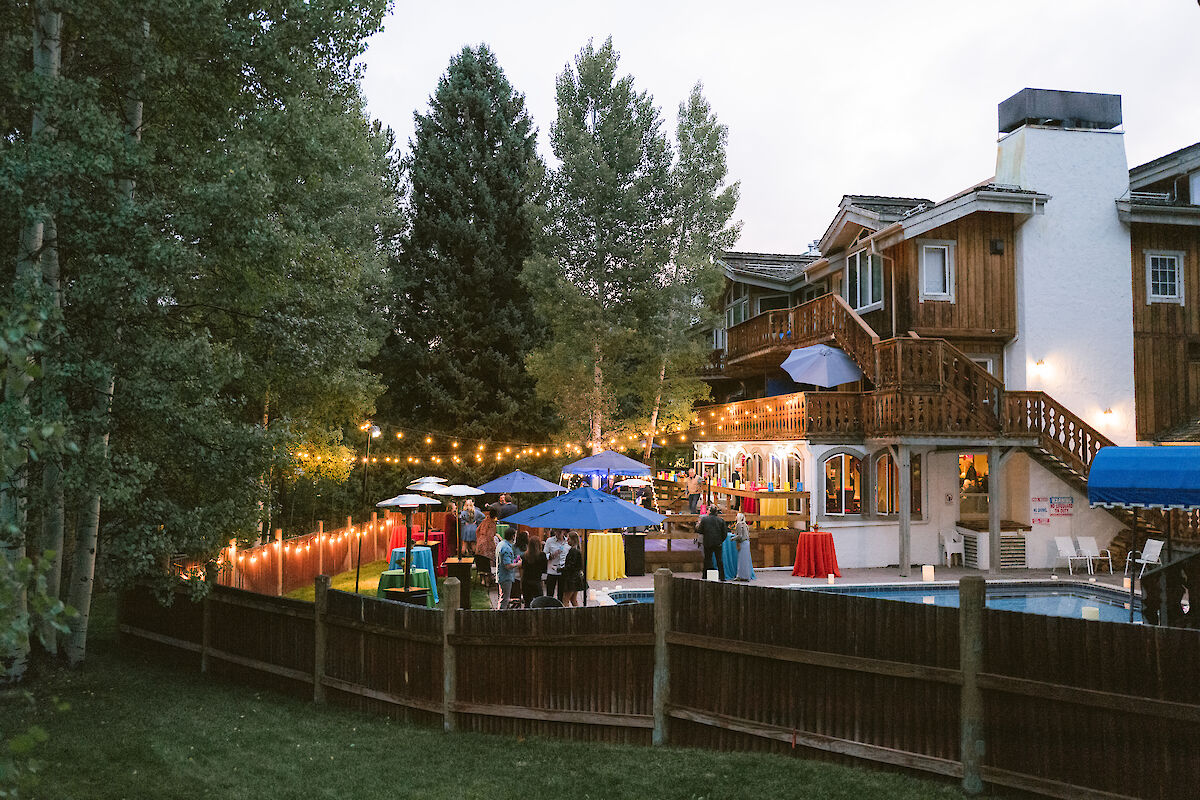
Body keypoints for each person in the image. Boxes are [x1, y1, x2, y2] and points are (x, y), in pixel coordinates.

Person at [696, 505, 728, 581]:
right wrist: (720, 540)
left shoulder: (704, 520)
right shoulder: (721, 520)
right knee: (719, 560)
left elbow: (700, 531)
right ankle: (722, 577)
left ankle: (705, 576)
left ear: (710, 511)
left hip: (707, 542)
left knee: (707, 559)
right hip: (718, 543)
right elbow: (724, 533)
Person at [496, 526, 521, 610]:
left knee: (502, 597)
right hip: (505, 577)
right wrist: (518, 564)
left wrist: (514, 560)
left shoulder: (501, 544)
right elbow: (508, 566)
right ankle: (501, 618)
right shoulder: (507, 548)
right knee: (505, 599)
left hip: (500, 575)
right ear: (513, 536)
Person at [474, 507, 498, 591]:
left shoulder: (484, 521)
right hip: (487, 544)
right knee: (486, 561)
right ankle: (487, 582)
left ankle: (482, 580)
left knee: (480, 562)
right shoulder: (492, 524)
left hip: (480, 543)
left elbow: (477, 530)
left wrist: (479, 539)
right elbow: (492, 535)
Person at [520, 536, 547, 607]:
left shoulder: (524, 556)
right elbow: (544, 570)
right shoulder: (542, 556)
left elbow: (522, 569)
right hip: (537, 581)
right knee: (539, 602)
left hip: (526, 581)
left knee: (527, 603)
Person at [561, 532, 585, 607]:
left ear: (572, 540)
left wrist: (560, 569)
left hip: (572, 578)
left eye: (568, 539)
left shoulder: (573, 551)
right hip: (576, 577)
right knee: (573, 599)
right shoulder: (577, 549)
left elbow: (571, 566)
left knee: (565, 599)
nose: (567, 540)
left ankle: (567, 616)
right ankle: (578, 615)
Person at [544, 528, 569, 600]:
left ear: (563, 531)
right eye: (556, 531)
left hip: (563, 570)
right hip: (552, 570)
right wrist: (551, 555)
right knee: (550, 593)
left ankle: (560, 608)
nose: (558, 533)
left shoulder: (567, 541)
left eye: (560, 531)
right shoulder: (549, 541)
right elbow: (544, 554)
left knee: (561, 593)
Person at [732, 512, 754, 581]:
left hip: (743, 543)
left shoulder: (738, 524)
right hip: (747, 543)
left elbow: (739, 536)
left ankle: (740, 575)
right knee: (745, 560)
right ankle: (746, 576)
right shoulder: (745, 525)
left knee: (741, 560)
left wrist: (732, 538)